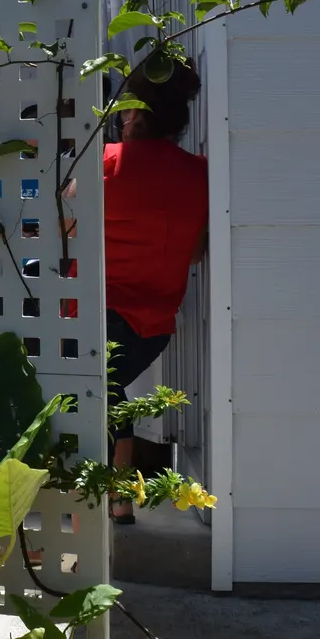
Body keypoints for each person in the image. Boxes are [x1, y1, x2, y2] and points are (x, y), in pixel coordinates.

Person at [102, 54, 208, 523]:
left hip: (95, 313)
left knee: (94, 392)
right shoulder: (200, 174)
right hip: (154, 325)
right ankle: (119, 500)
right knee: (105, 391)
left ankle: (111, 499)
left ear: (134, 112)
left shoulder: (104, 164)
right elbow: (197, 251)